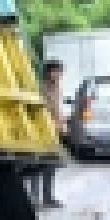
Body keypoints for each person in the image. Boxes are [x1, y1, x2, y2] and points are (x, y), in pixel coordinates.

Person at [28, 59, 65, 209]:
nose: (59, 75)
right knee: (37, 164)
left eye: (60, 72)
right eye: (56, 71)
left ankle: (48, 197)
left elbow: (57, 108)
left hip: (54, 131)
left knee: (51, 164)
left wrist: (61, 123)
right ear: (49, 72)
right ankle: (35, 198)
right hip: (41, 130)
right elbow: (41, 109)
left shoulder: (57, 88)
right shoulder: (40, 88)